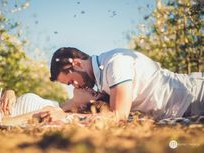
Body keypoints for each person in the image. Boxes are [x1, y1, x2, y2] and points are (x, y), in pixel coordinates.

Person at [49, 47, 204, 121]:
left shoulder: (114, 64)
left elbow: (118, 115)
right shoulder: (102, 79)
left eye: (71, 82)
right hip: (185, 107)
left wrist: (65, 117)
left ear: (77, 63)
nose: (76, 86)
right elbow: (68, 104)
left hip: (196, 95)